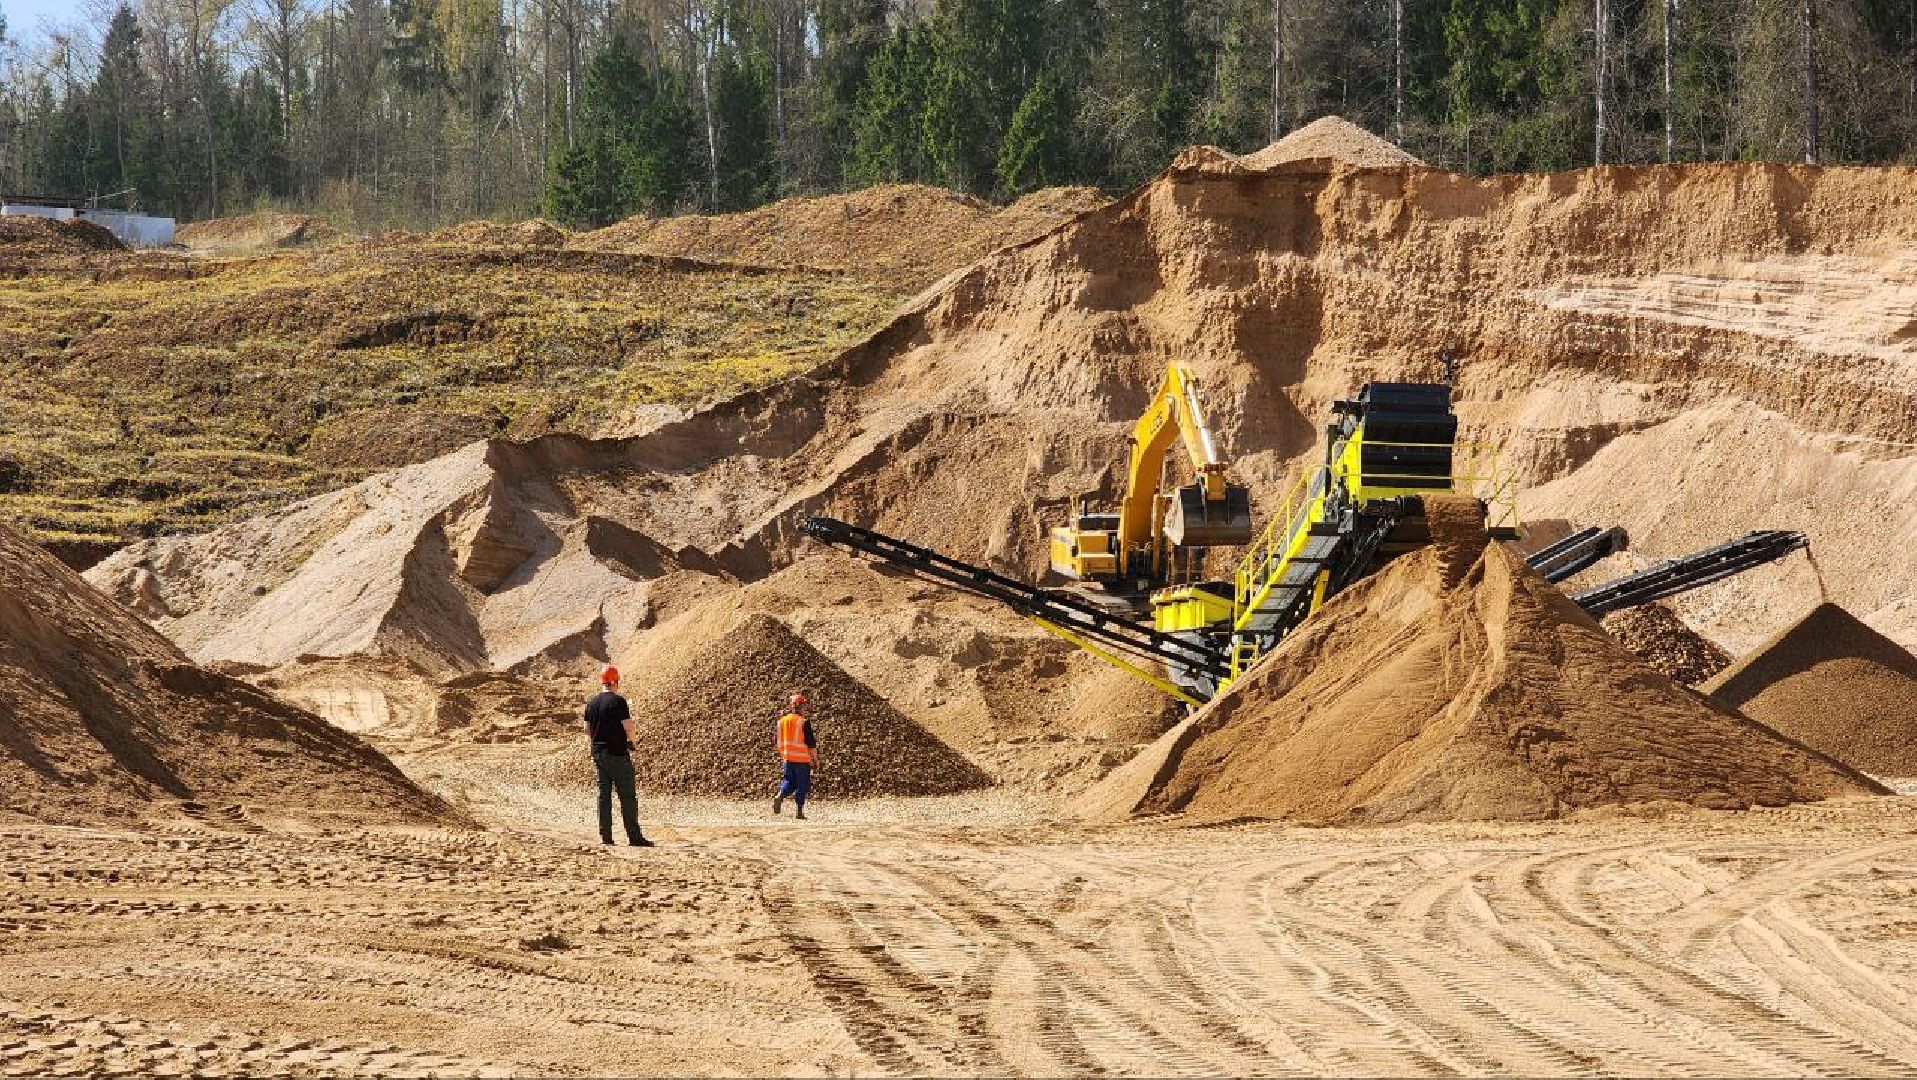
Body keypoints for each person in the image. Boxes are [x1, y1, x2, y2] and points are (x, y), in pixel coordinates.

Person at [585, 665, 653, 847]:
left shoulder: (591, 703)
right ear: (615, 682)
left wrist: (598, 741)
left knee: (603, 795)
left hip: (598, 753)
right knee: (627, 796)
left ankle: (606, 836)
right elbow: (629, 726)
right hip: (616, 753)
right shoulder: (618, 702)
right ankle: (634, 837)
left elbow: (587, 729)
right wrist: (633, 743)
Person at [772, 693, 816, 820]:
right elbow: (811, 744)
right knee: (802, 785)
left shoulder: (781, 722)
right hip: (802, 760)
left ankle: (780, 795)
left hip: (787, 759)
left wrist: (784, 754)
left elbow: (778, 741)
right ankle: (799, 812)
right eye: (804, 706)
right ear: (801, 707)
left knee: (789, 782)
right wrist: (815, 759)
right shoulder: (803, 722)